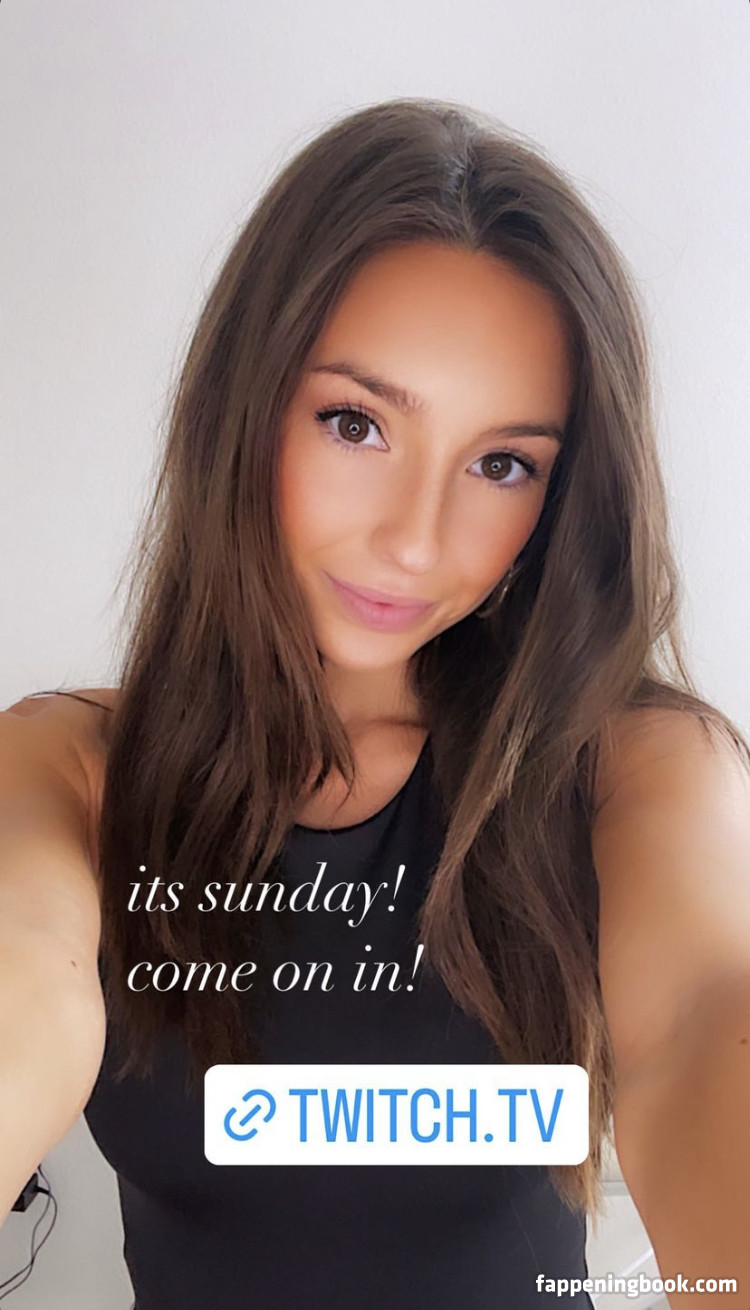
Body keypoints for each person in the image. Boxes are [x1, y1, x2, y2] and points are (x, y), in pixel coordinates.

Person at [1, 96, 749, 1310]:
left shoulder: (627, 768)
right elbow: (18, 974)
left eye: (502, 463)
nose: (414, 539)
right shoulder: (71, 771)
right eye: (356, 423)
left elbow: (711, 1014)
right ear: (244, 408)